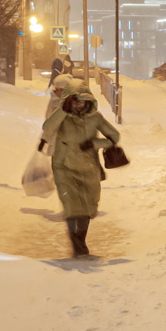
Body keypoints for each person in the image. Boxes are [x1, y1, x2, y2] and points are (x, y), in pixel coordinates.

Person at [40, 89, 121, 258]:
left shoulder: (95, 118)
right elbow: (47, 128)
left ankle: (81, 240)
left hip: (88, 169)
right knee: (71, 207)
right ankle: (78, 247)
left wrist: (94, 143)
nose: (77, 105)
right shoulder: (62, 117)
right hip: (64, 168)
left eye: (81, 101)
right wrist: (63, 109)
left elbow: (114, 136)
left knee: (86, 208)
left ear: (87, 102)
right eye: (74, 101)